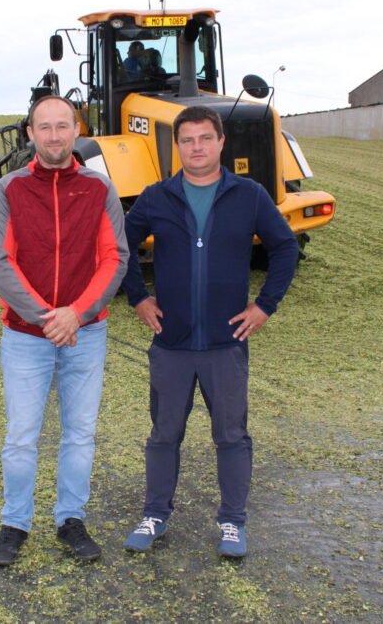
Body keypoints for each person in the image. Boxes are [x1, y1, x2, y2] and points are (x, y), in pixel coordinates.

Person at [119, 105, 298, 557]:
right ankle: (155, 514)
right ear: (176, 147)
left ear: (221, 143)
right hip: (172, 343)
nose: (196, 147)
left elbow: (284, 247)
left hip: (225, 343)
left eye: (205, 138)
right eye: (187, 140)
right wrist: (138, 297)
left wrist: (265, 305)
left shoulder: (249, 195)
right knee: (164, 434)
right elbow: (120, 245)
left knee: (231, 436)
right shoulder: (156, 196)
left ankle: (233, 522)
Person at [0, 95, 129, 566]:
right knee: (21, 436)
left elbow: (115, 258)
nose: (53, 136)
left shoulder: (99, 188)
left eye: (62, 126)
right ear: (30, 133)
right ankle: (15, 524)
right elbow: (0, 262)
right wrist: (49, 317)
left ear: (76, 129)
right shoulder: (8, 190)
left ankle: (71, 519)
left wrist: (77, 314)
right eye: (43, 127)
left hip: (85, 334)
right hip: (26, 335)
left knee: (80, 434)